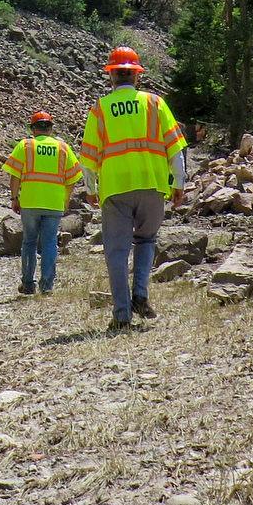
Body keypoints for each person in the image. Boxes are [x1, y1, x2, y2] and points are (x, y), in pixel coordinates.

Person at [79, 47, 188, 332]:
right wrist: (179, 183)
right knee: (147, 240)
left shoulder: (100, 108)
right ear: (137, 76)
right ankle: (140, 294)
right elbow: (175, 149)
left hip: (115, 188)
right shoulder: (155, 103)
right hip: (152, 184)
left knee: (116, 252)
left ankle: (122, 313)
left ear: (112, 76)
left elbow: (88, 157)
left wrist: (90, 189)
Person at [2, 111, 82, 296]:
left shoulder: (25, 145)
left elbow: (14, 175)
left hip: (30, 202)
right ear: (51, 128)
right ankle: (47, 286)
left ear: (33, 129)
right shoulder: (63, 148)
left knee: (29, 242)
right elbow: (73, 178)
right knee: (49, 243)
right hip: (54, 203)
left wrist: (14, 198)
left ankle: (28, 284)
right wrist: (66, 199)